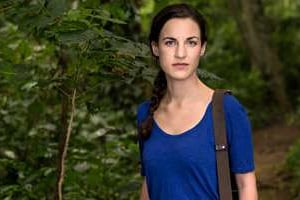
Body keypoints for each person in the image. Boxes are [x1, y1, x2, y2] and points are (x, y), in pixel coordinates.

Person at [137, 3, 258, 200]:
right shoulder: (146, 113)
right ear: (155, 48)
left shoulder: (226, 109)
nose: (181, 53)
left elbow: (247, 186)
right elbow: (149, 186)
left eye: (191, 42)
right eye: (170, 42)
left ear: (202, 48)